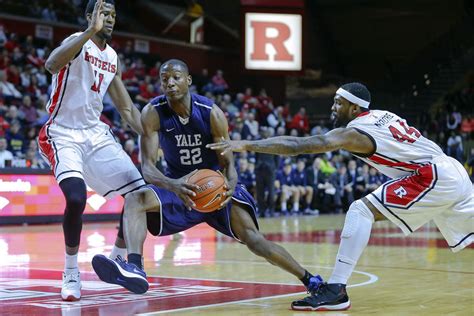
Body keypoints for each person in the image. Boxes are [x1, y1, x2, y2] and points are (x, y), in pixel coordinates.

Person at [207, 82, 473, 311]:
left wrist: (247, 145)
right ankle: (336, 290)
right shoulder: (382, 115)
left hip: (431, 175)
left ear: (354, 108)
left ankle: (336, 291)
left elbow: (299, 146)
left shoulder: (354, 132)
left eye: (338, 103)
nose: (333, 107)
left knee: (360, 210)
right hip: (453, 170)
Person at [91, 59, 322, 295]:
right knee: (134, 199)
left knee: (254, 240)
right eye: (165, 79)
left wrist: (230, 183)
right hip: (179, 188)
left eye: (176, 77)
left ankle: (311, 280)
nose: (170, 83)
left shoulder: (211, 113)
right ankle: (135, 267)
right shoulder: (153, 112)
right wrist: (174, 185)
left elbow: (228, 164)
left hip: (215, 186)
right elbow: (148, 168)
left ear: (188, 80)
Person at [39, 0, 145, 301]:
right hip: (62, 132)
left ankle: (118, 259)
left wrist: (154, 137)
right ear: (90, 17)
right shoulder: (76, 41)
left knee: (140, 194)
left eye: (113, 15)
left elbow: (126, 107)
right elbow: (51, 65)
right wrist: (89, 31)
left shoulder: (112, 57)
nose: (109, 20)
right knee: (76, 198)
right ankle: (71, 272)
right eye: (103, 14)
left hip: (95, 134)